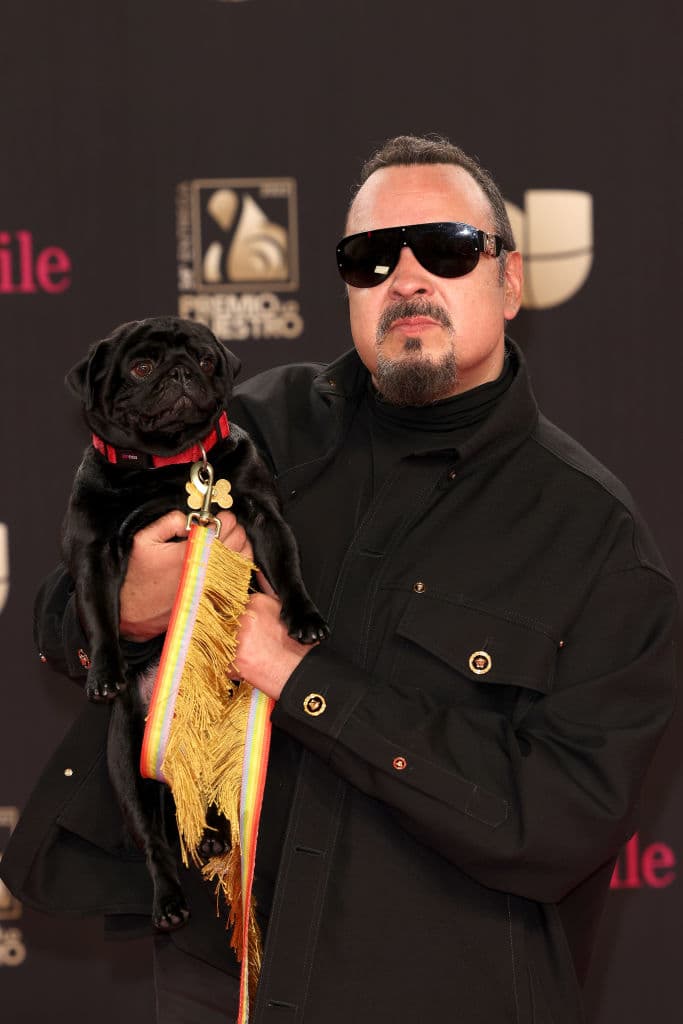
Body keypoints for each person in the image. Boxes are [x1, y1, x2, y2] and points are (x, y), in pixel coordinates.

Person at [1, 135, 677, 1023]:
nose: (405, 277)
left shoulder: (594, 539)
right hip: (218, 981)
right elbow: (59, 618)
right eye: (370, 258)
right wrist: (126, 607)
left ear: (509, 280)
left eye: (444, 249)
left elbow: (557, 826)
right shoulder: (249, 429)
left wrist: (296, 675)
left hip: (433, 996)